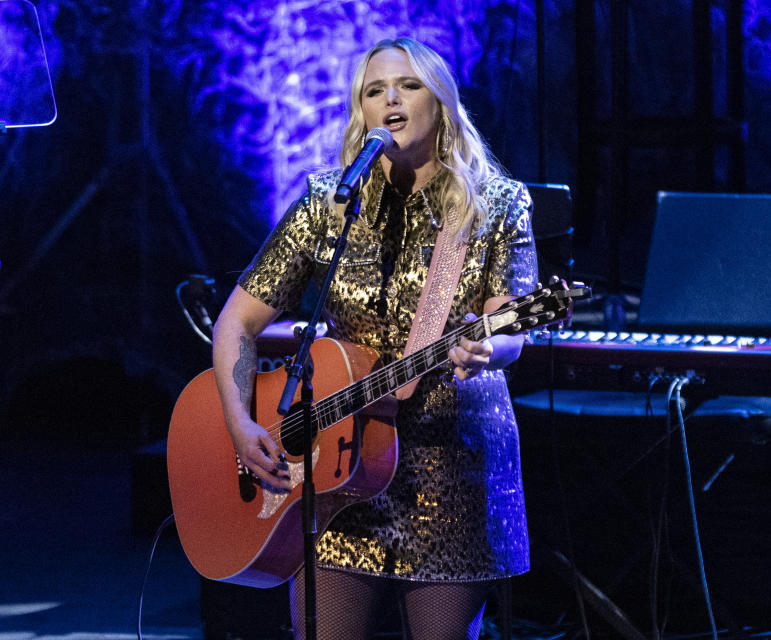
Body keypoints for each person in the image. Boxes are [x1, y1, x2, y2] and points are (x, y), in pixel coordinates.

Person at [211, 37, 538, 639]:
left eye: (409, 86)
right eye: (374, 90)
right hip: (336, 473)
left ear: (440, 102)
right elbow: (237, 322)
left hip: (451, 468)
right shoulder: (328, 203)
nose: (391, 99)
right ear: (360, 112)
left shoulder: (494, 205)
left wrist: (488, 346)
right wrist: (238, 420)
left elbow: (511, 322)